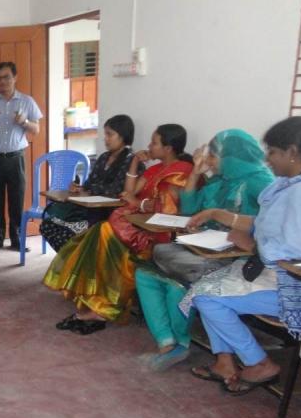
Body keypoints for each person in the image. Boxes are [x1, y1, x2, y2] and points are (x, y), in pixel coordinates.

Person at [180, 116, 301, 395]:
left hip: (292, 287)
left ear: (292, 152)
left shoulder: (299, 193)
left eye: (272, 152)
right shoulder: (286, 185)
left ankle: (259, 362)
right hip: (271, 273)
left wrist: (251, 246)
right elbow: (263, 223)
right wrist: (220, 215)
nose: (267, 159)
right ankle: (226, 363)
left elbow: (293, 249)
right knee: (204, 287)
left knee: (207, 299)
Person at [135, 129, 274, 370]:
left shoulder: (260, 182)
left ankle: (180, 343)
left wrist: (238, 228)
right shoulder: (220, 181)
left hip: (236, 257)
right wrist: (195, 174)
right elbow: (189, 210)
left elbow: (271, 226)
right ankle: (166, 342)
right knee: (144, 274)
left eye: (213, 156)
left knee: (176, 282)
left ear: (231, 158)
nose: (208, 161)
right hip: (206, 248)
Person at [44, 124, 194, 334]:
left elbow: (168, 210)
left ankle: (100, 308)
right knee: (100, 232)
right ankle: (93, 301)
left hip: (156, 235)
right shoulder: (154, 169)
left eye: (154, 142)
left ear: (168, 148)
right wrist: (134, 163)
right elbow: (128, 193)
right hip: (136, 226)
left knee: (104, 233)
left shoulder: (181, 172)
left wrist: (138, 203)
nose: (149, 146)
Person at [39, 114, 136, 251]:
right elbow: (90, 182)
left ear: (123, 136)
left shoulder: (131, 161)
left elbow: (116, 190)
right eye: (105, 134)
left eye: (110, 134)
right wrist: (79, 187)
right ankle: (75, 259)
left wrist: (90, 189)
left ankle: (79, 258)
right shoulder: (104, 157)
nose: (105, 138)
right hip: (89, 209)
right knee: (48, 225)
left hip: (107, 213)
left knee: (68, 231)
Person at [0, 61, 43, 253]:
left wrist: (24, 121)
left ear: (15, 78)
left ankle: (17, 239)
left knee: (16, 199)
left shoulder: (27, 101)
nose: (2, 81)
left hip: (15, 158)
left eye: (6, 77)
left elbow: (36, 129)